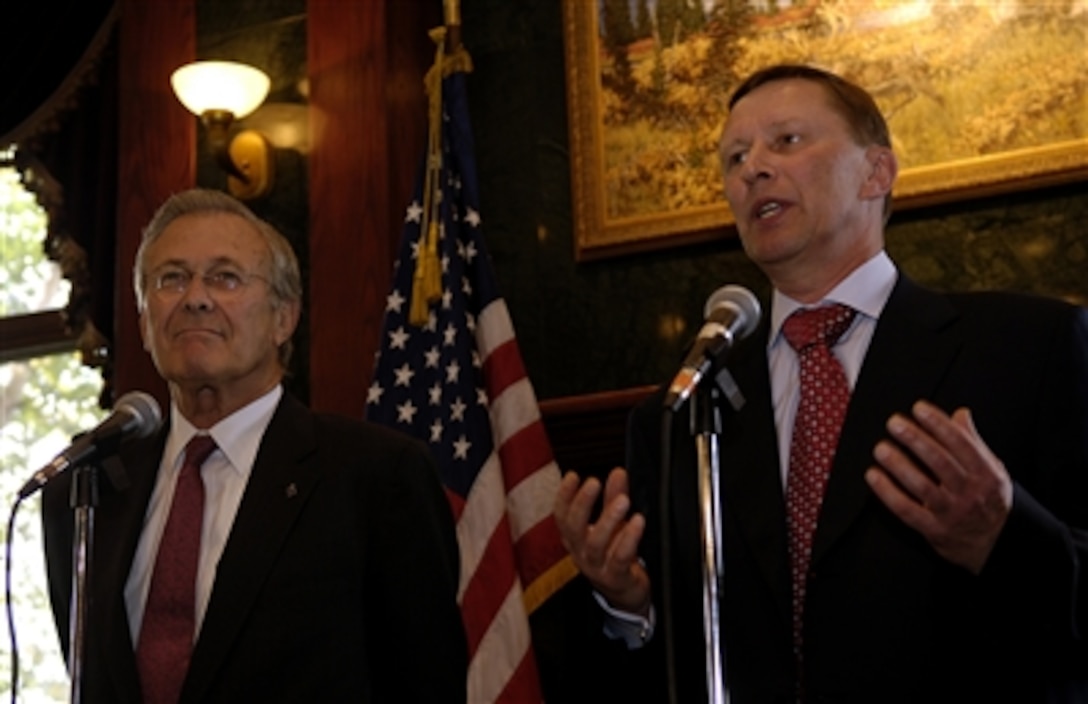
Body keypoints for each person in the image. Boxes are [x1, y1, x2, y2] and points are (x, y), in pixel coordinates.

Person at [555, 64, 1088, 703]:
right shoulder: (682, 411)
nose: (751, 168)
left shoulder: (1030, 348)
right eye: (734, 157)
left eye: (786, 141)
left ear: (876, 173)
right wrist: (628, 607)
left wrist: (1003, 538)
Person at [41, 188, 468, 703]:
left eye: (225, 277)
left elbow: (427, 686)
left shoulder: (376, 475)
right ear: (144, 322)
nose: (195, 297)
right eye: (170, 278)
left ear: (283, 318)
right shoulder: (86, 487)